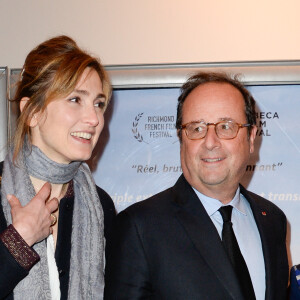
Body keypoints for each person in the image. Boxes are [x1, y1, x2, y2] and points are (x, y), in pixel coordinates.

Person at [104, 72, 288, 300]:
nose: (210, 142)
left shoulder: (273, 220)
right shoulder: (139, 228)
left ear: (251, 138)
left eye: (226, 126)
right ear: (182, 139)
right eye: (197, 128)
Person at [0, 35, 115, 299]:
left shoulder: (101, 205)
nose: (94, 119)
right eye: (76, 99)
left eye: (98, 104)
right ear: (32, 111)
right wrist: (17, 242)